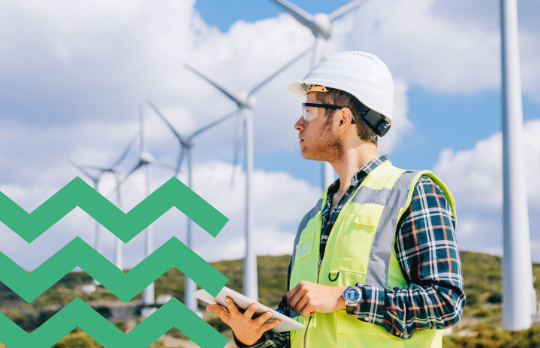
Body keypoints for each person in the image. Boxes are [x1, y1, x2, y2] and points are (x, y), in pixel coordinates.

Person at [207, 51, 466, 348]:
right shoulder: (311, 220)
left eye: (308, 110)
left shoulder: (413, 193)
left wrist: (345, 297)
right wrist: (251, 337)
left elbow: (446, 302)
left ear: (343, 118)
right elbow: (298, 332)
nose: (297, 124)